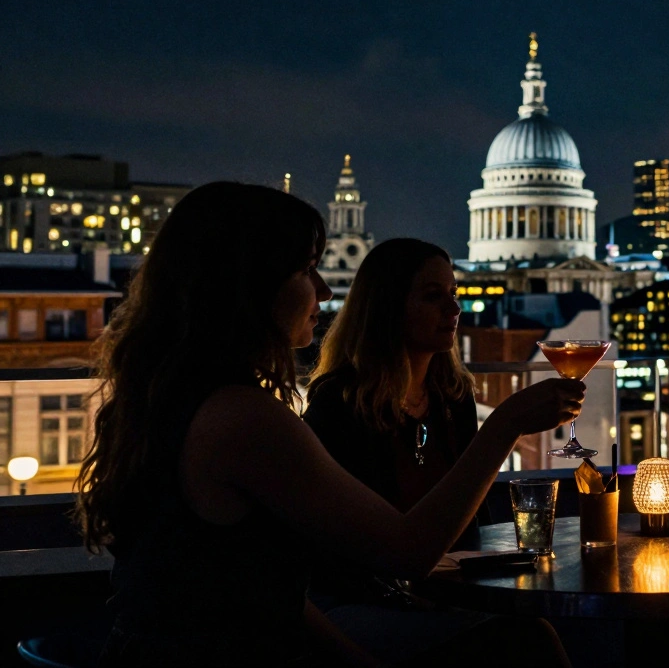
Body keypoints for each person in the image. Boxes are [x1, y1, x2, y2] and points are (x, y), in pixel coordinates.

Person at [75, 183, 580, 667]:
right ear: (250, 284)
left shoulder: (172, 402)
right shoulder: (245, 419)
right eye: (307, 269)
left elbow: (259, 588)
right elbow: (408, 551)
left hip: (163, 652)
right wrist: (508, 423)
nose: (324, 288)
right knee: (527, 643)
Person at [302, 238, 493, 664]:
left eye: (454, 293)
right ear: (387, 308)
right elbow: (335, 547)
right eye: (432, 296)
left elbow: (469, 522)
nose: (454, 310)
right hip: (355, 603)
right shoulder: (341, 402)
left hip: (440, 594)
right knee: (523, 641)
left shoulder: (453, 397)